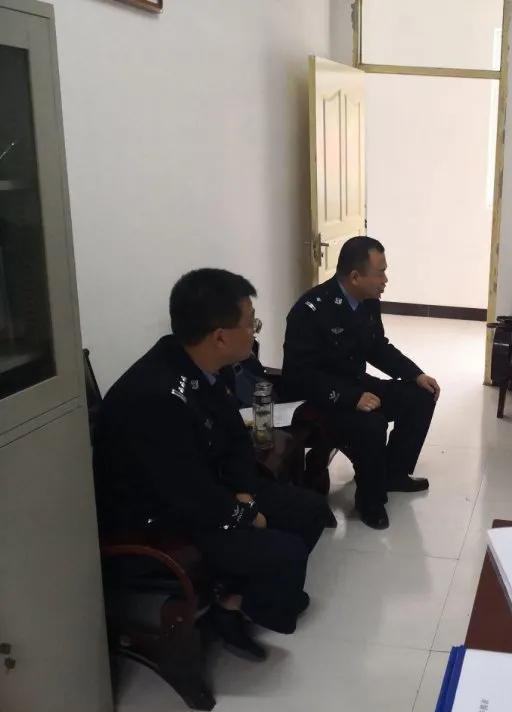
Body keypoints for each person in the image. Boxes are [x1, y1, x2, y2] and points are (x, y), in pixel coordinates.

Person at [95, 269, 332, 660]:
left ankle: (237, 597)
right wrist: (244, 514)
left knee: (309, 510)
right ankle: (233, 606)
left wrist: (245, 491)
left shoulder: (201, 365)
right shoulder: (155, 398)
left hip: (208, 488)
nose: (255, 332)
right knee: (286, 551)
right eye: (250, 323)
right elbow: (183, 495)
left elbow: (235, 438)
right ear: (220, 337)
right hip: (160, 520)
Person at [282, 236, 440, 531]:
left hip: (356, 383)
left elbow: (377, 347)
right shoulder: (310, 310)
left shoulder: (368, 302)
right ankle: (370, 502)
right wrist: (350, 398)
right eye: (380, 272)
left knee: (421, 395)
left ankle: (393, 474)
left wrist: (415, 374)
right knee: (371, 422)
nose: (385, 280)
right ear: (355, 277)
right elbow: (299, 376)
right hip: (322, 397)